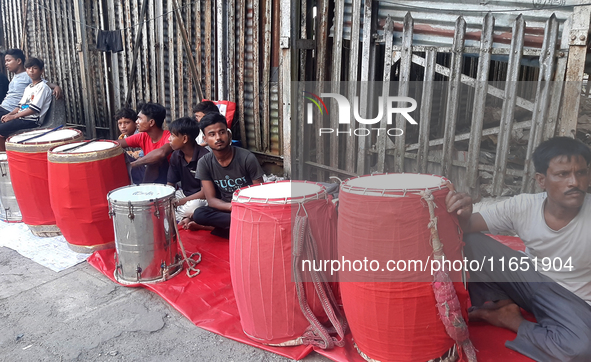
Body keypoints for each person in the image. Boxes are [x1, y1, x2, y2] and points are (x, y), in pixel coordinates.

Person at [446, 137, 591, 361]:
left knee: (580, 350)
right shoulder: (523, 206)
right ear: (541, 180)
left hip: (572, 299)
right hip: (529, 281)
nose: (574, 182)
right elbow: (465, 226)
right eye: (563, 174)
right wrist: (463, 212)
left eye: (581, 173)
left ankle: (510, 319)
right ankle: (503, 304)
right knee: (470, 241)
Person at [189, 113, 264, 238]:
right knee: (199, 214)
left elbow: (261, 193)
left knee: (259, 217)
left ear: (228, 134)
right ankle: (242, 229)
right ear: (205, 139)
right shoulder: (204, 162)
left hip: (249, 208)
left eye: (222, 132)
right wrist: (232, 207)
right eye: (212, 134)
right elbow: (211, 200)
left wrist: (244, 207)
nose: (218, 138)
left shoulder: (247, 158)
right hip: (227, 209)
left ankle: (226, 229)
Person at [0, 57, 53, 151]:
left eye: (35, 68)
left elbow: (33, 109)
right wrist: (9, 114)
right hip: (22, 118)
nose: (31, 71)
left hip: (32, 121)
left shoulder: (43, 87)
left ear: (41, 71)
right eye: (28, 68)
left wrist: (14, 117)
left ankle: (5, 156)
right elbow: (21, 106)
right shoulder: (28, 88)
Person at [166, 117, 210, 225]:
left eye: (172, 135)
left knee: (192, 208)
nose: (169, 139)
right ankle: (187, 218)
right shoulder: (176, 155)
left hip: (202, 199)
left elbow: (205, 193)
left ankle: (183, 217)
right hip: (184, 194)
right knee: (162, 203)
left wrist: (178, 203)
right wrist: (167, 199)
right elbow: (170, 184)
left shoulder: (204, 158)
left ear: (184, 139)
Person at [116, 102, 170, 184]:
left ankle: (144, 189)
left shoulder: (169, 136)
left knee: (155, 161)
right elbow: (116, 144)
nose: (137, 122)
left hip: (166, 178)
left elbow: (161, 153)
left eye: (140, 119)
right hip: (149, 173)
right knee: (121, 154)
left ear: (151, 122)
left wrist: (132, 164)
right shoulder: (142, 136)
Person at [115, 107, 144, 184]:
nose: (123, 126)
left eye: (127, 123)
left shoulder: (142, 135)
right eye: (120, 123)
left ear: (135, 123)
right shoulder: (121, 138)